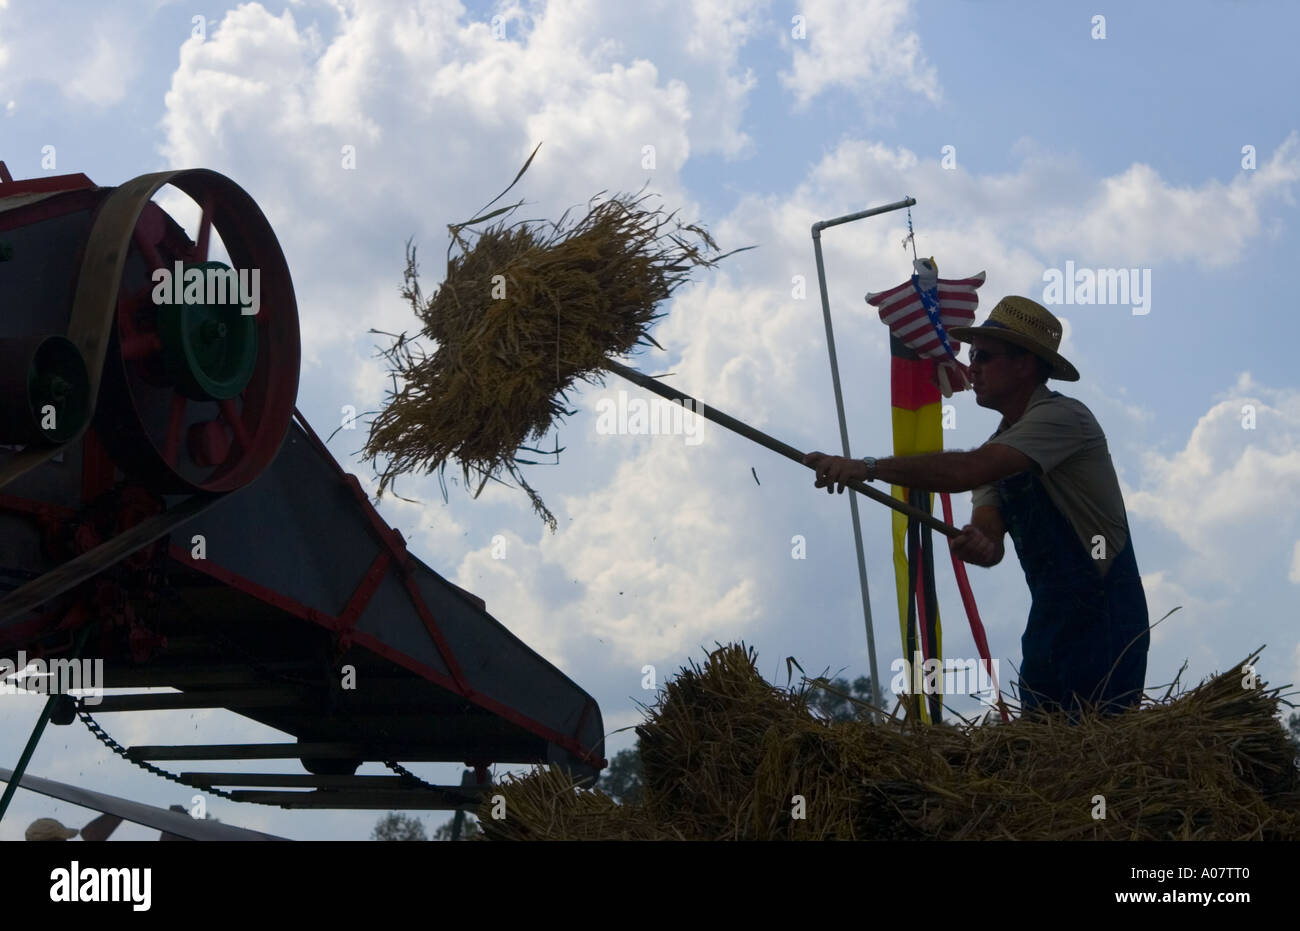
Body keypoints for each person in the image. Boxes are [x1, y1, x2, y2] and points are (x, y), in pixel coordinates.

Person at [803, 296, 1149, 718]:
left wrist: (867, 467)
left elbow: (969, 469)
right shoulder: (1000, 446)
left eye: (984, 357)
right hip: (1050, 619)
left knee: (1097, 748)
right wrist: (980, 544)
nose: (973, 369)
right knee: (1045, 756)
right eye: (972, 357)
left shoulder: (1064, 419)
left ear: (1025, 364)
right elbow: (990, 531)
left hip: (1105, 613)